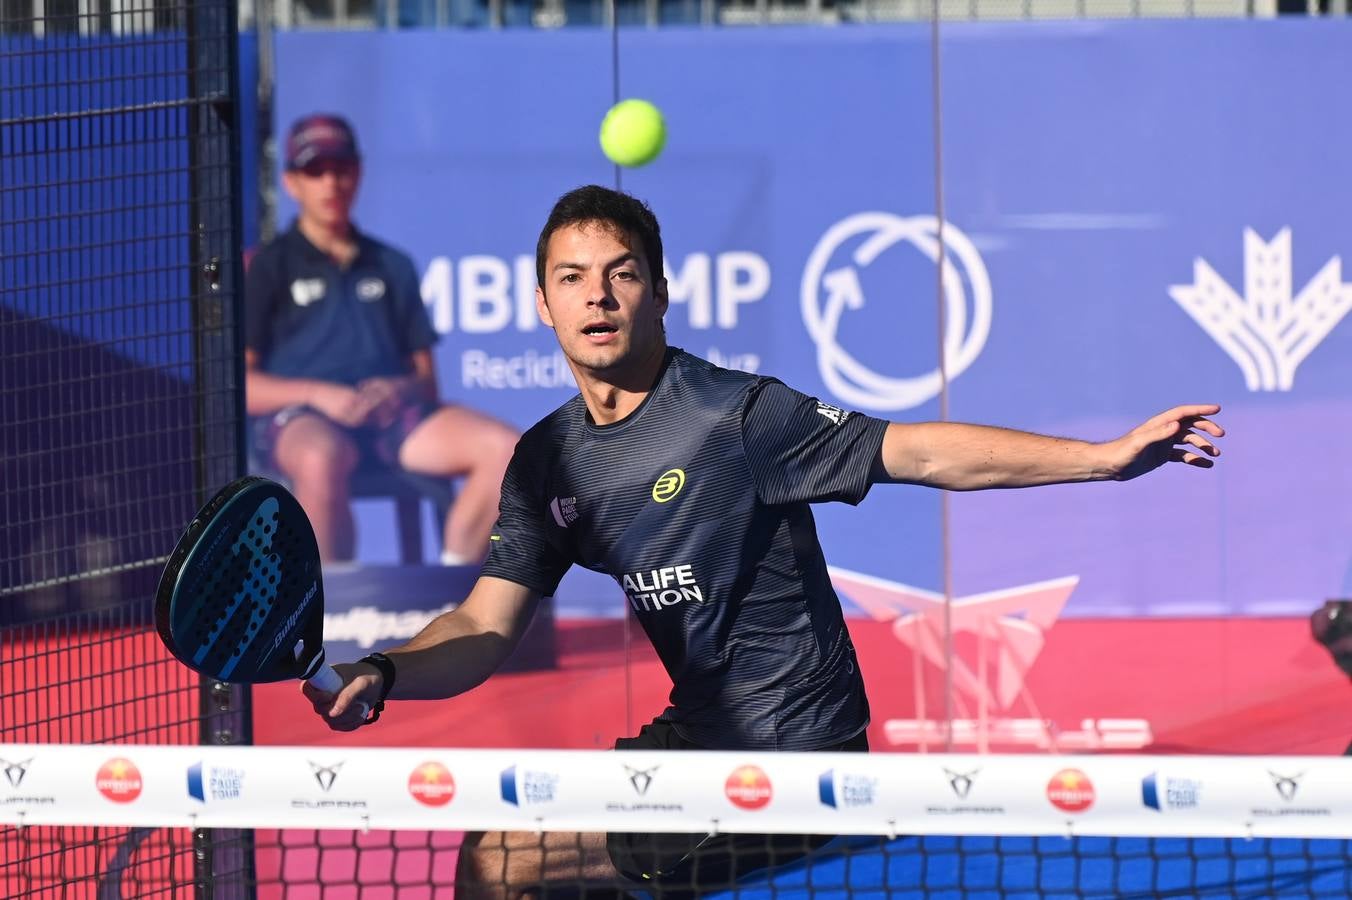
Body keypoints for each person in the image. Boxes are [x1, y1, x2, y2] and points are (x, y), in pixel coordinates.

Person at [304, 185, 1226, 897]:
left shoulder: (732, 416)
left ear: (659, 293)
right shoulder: (549, 459)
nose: (599, 296)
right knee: (497, 854)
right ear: (541, 303)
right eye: (573, 278)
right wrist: (383, 671)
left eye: (622, 273)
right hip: (698, 743)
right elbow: (485, 622)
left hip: (795, 765)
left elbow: (921, 451)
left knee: (508, 861)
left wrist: (1103, 459)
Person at [244, 114, 517, 563]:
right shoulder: (267, 266)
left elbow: (427, 382)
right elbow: (245, 386)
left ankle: (449, 595)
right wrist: (320, 394)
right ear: (292, 182)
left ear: (359, 172)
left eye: (342, 167)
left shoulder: (392, 264)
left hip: (391, 418)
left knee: (509, 451)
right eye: (315, 171)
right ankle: (330, 616)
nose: (331, 182)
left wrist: (396, 388)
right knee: (320, 457)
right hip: (304, 417)